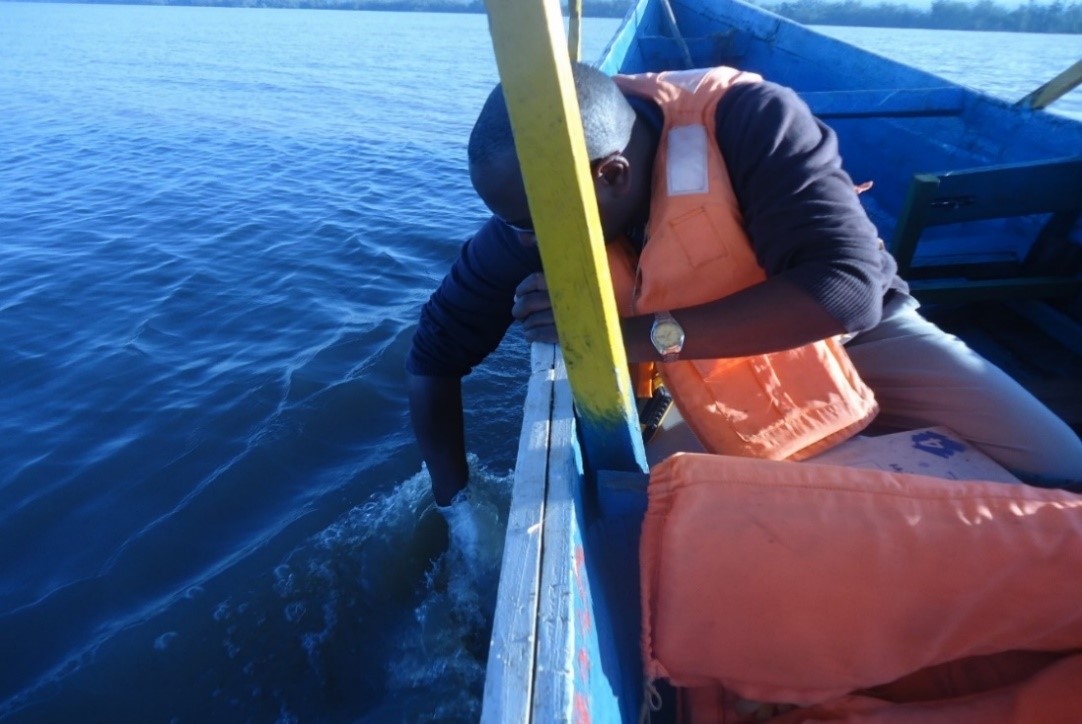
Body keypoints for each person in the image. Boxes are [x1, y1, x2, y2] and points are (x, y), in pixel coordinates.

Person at [407, 62, 1082, 529]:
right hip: (694, 381)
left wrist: (627, 338)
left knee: (1062, 472)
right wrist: (457, 510)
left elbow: (848, 290)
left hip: (853, 337)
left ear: (611, 175)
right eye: (512, 225)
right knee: (654, 535)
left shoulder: (750, 120)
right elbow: (434, 356)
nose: (524, 242)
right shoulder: (531, 213)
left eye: (533, 227)